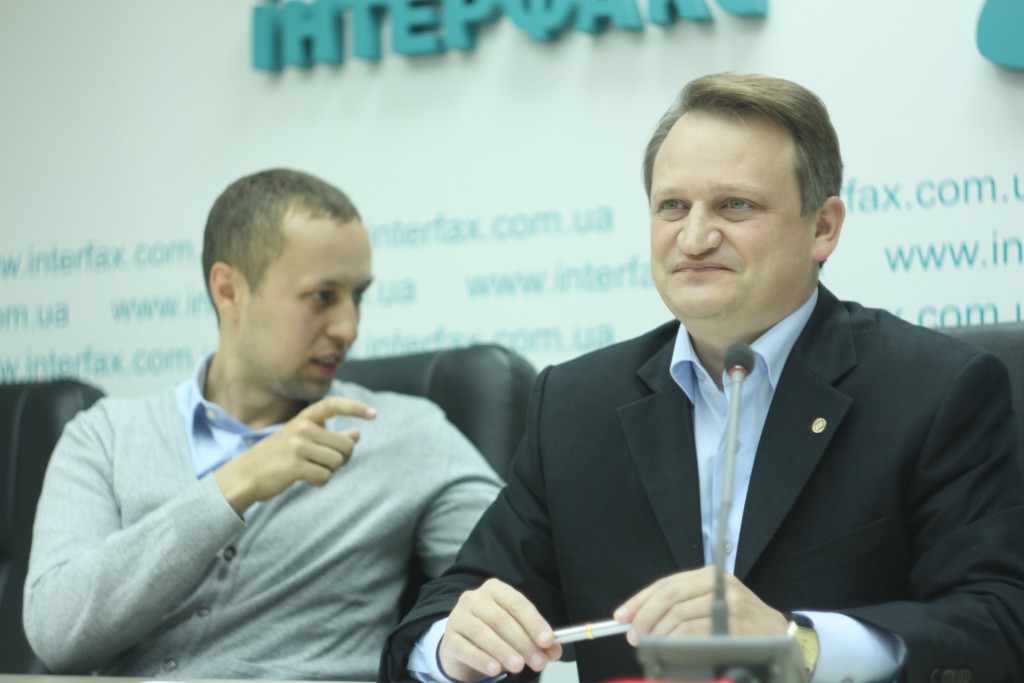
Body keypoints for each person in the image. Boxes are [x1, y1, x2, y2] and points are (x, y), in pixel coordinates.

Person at [380, 74, 1024, 683]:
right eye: (672, 206)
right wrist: (452, 646)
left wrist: (796, 644)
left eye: (734, 205)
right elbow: (447, 609)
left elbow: (997, 624)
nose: (693, 237)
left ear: (823, 228)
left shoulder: (936, 390)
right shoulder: (576, 406)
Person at [23, 169, 503, 680]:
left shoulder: (409, 435)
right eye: (321, 296)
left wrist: (440, 658)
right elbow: (57, 634)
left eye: (358, 296)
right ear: (229, 290)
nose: (348, 327)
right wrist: (236, 484)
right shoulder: (104, 436)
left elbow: (518, 584)